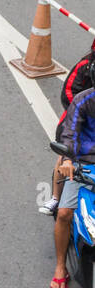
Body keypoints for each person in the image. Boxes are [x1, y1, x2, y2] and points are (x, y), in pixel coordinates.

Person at [41, 38, 95, 215]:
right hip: (76, 120)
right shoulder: (85, 65)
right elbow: (69, 92)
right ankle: (56, 199)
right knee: (65, 155)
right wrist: (82, 111)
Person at [52, 86, 95, 288]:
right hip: (83, 165)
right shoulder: (83, 100)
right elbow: (69, 135)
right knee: (64, 213)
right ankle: (61, 266)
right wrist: (68, 160)